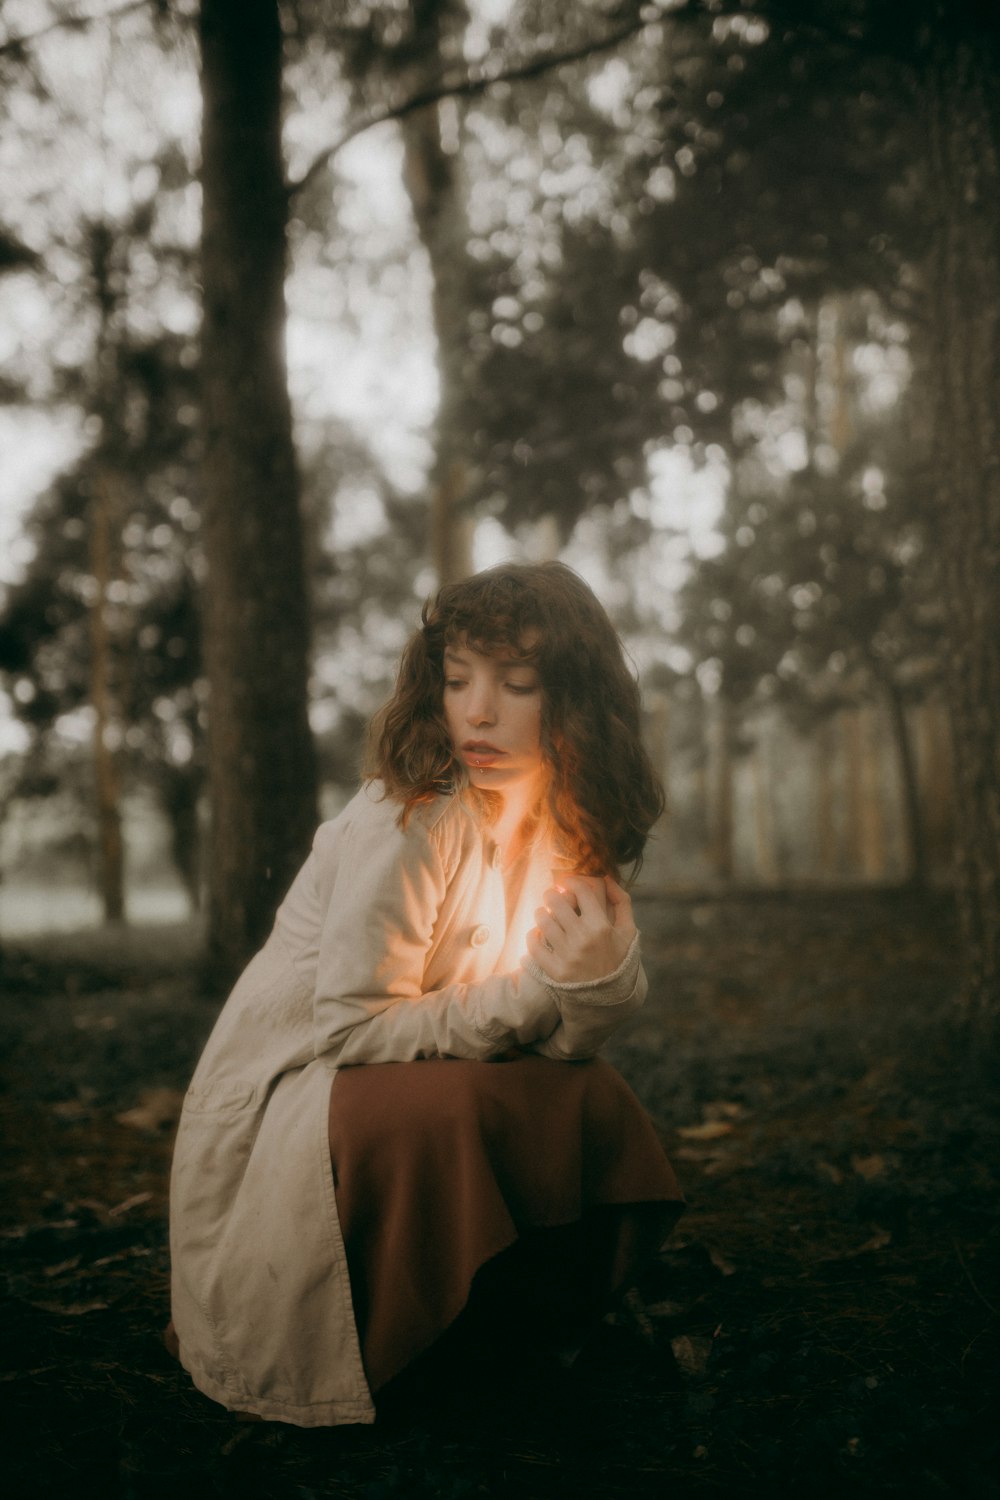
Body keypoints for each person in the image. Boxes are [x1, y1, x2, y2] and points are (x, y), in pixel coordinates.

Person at [167, 561, 683, 1428]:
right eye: (455, 681)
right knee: (453, 1110)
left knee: (589, 1093)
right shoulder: (406, 817)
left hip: (426, 1065)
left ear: (575, 701)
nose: (477, 711)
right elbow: (356, 1031)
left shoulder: (568, 817)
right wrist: (536, 995)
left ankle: (514, 1325)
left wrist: (593, 983)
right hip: (297, 1096)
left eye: (516, 685)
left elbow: (568, 1037)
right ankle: (398, 1348)